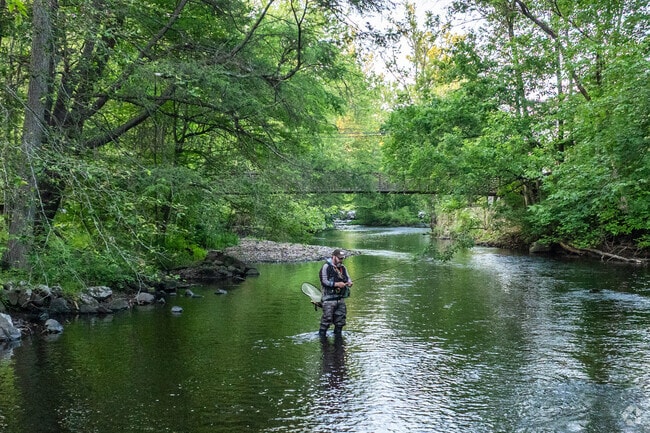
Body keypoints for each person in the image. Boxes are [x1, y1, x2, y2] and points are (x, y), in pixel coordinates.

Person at [318, 249, 353, 337]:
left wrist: (349, 282)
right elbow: (324, 281)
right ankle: (322, 341)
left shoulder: (343, 268)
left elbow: (348, 278)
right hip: (328, 300)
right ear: (333, 257)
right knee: (326, 321)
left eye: (342, 258)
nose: (341, 260)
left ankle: (338, 343)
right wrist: (336, 284)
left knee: (340, 322)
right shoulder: (326, 267)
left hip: (340, 299)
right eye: (339, 258)